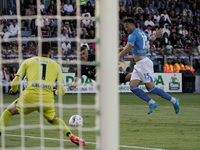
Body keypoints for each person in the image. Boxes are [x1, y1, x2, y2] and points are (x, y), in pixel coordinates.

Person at [0, 42, 85, 146]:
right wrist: (56, 91)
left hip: (29, 97)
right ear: (50, 52)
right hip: (46, 100)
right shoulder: (56, 66)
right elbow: (61, 92)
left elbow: (15, 82)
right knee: (54, 119)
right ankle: (71, 136)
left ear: (36, 51)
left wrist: (13, 91)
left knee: (8, 112)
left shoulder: (27, 62)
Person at [118, 18, 180, 114]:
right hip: (139, 64)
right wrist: (156, 34)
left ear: (132, 25)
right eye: (124, 27)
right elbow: (151, 39)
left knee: (151, 88)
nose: (125, 28)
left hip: (144, 64)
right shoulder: (141, 32)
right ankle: (152, 103)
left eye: (126, 26)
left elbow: (126, 51)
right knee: (133, 87)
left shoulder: (133, 35)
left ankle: (174, 100)